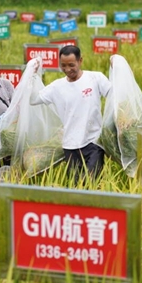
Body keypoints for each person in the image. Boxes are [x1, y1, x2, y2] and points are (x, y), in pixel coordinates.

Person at [31, 45, 111, 183]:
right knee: (75, 185)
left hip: (94, 142)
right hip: (70, 145)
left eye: (71, 65)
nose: (67, 69)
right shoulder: (57, 87)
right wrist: (32, 74)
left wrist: (117, 68)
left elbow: (114, 96)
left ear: (80, 61)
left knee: (92, 182)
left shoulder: (95, 78)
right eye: (63, 65)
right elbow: (33, 100)